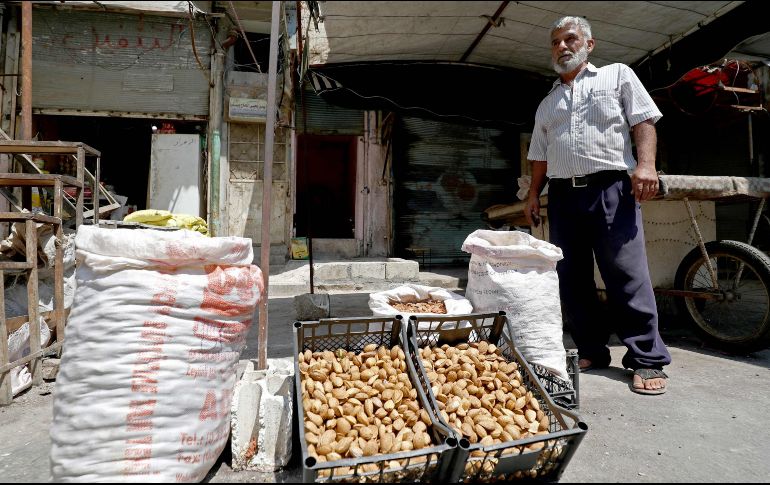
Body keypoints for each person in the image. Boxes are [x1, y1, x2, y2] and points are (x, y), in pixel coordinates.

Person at [524, 16, 671, 395]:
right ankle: (591, 348)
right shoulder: (547, 102)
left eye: (570, 39)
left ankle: (646, 358)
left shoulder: (617, 76)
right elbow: (539, 156)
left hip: (611, 188)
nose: (561, 47)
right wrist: (531, 195)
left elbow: (643, 120)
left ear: (589, 45)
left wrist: (646, 165)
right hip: (562, 195)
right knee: (571, 276)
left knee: (625, 272)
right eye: (555, 42)